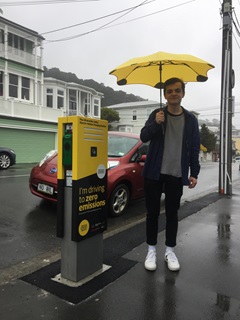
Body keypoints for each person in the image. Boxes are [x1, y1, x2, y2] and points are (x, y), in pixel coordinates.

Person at [140, 77, 200, 272]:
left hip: (176, 173)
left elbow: (193, 149)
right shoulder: (157, 115)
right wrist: (155, 124)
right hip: (153, 173)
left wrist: (194, 172)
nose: (173, 94)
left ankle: (170, 250)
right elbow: (143, 137)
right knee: (152, 214)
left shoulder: (190, 120)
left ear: (183, 93)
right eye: (169, 91)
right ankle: (151, 250)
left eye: (177, 90)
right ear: (164, 95)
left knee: (173, 214)